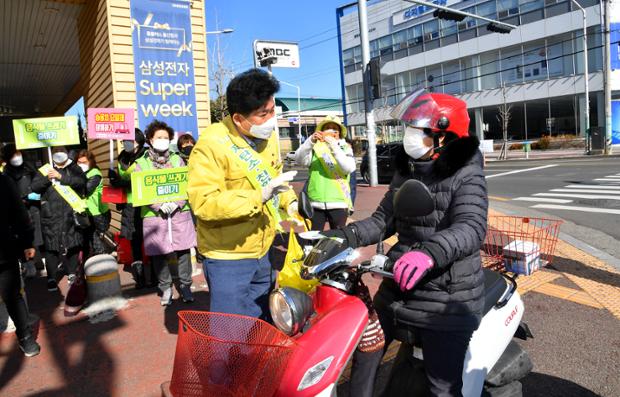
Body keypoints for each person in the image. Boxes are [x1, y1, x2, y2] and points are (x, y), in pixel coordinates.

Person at [326, 91, 488, 397]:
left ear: (444, 136)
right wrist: (341, 237)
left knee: (442, 386)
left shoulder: (467, 173)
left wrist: (428, 254)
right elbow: (381, 221)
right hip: (399, 284)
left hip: (447, 296)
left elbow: (471, 227)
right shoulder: (407, 170)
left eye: (418, 132)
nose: (409, 138)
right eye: (408, 130)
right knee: (365, 352)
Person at [187, 68, 299, 320]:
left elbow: (275, 178)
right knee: (232, 330)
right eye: (264, 114)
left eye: (273, 110)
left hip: (264, 248)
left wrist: (289, 202)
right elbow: (204, 203)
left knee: (266, 319)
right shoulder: (212, 144)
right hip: (229, 256)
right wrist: (257, 197)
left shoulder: (266, 137)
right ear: (238, 118)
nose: (272, 119)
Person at [135, 120, 196, 306]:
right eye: (158, 137)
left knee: (183, 251)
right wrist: (158, 205)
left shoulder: (178, 160)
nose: (162, 140)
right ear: (150, 140)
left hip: (179, 213)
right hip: (155, 216)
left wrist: (176, 203)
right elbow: (140, 190)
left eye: (165, 138)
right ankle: (166, 287)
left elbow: (186, 184)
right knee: (159, 254)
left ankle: (185, 285)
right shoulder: (141, 163)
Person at [31, 146, 86, 291]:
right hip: (51, 214)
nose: (58, 154)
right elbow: (34, 187)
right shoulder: (45, 169)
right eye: (55, 152)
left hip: (70, 212)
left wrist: (62, 177)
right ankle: (51, 277)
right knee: (51, 246)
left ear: (67, 154)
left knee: (73, 243)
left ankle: (72, 272)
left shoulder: (74, 168)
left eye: (61, 151)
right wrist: (47, 179)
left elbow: (81, 183)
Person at [0, 174, 41, 356]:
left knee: (12, 295)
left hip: (4, 250)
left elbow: (19, 214)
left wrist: (26, 242)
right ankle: (25, 336)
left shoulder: (3, 181)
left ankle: (25, 336)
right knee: (13, 295)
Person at [294, 115, 355, 231]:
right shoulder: (314, 147)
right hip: (315, 201)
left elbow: (348, 168)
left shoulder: (345, 148)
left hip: (339, 201)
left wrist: (333, 146)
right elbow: (299, 159)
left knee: (338, 240)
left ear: (339, 133)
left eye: (334, 128)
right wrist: (310, 141)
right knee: (314, 239)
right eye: (327, 127)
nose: (331, 131)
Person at [109, 129, 148, 288]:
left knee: (150, 238)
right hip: (128, 205)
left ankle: (154, 275)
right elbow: (118, 178)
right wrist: (113, 177)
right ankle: (140, 277)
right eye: (124, 140)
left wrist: (124, 183)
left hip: (146, 203)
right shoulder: (121, 158)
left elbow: (145, 178)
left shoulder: (146, 155)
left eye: (130, 140)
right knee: (134, 239)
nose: (126, 143)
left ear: (139, 141)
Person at [2, 144, 44, 276]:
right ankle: (28, 264)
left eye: (18, 153)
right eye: (13, 155)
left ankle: (38, 260)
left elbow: (38, 182)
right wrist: (22, 199)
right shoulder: (5, 175)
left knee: (36, 235)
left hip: (33, 208)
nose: (17, 157)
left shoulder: (29, 167)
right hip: (18, 211)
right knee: (22, 236)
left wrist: (35, 193)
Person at [75, 150, 110, 256]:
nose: (81, 165)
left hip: (97, 212)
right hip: (86, 212)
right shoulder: (81, 174)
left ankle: (102, 263)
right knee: (88, 239)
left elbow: (86, 190)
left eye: (84, 162)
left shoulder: (94, 174)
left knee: (97, 240)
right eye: (79, 162)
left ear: (91, 162)